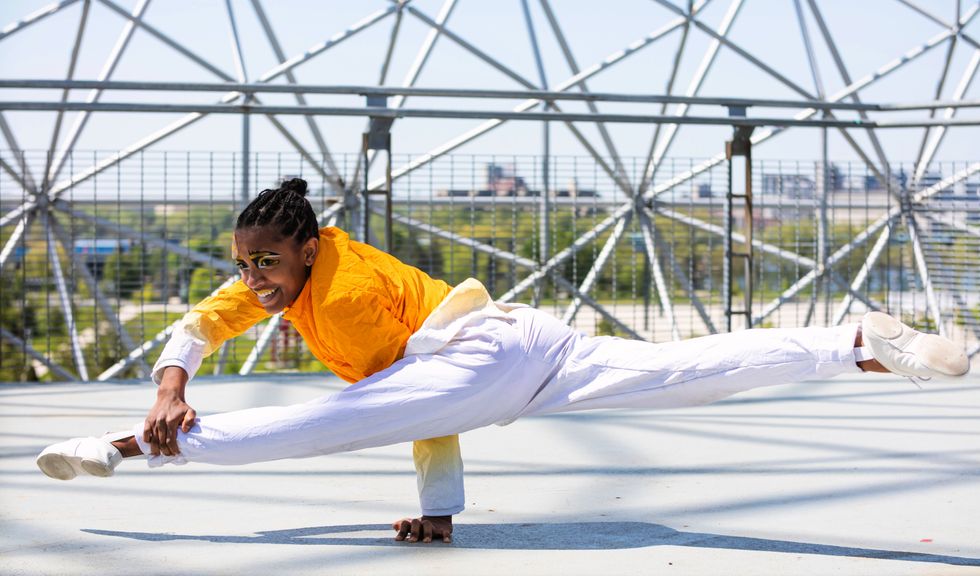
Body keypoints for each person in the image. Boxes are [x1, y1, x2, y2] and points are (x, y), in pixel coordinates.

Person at [36, 178, 971, 544]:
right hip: (523, 347)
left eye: (267, 262)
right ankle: (856, 342)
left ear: (311, 248)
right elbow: (201, 326)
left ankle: (122, 446)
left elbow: (400, 406)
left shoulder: (349, 294)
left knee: (320, 426)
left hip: (482, 359)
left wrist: (162, 409)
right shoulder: (277, 279)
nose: (254, 279)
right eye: (245, 263)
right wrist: (172, 379)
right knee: (691, 369)